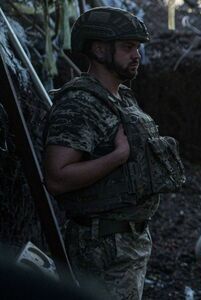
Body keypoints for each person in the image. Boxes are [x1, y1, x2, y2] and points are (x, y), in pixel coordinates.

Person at [43, 7, 185, 300]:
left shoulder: (121, 97)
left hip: (127, 243)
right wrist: (117, 157)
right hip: (103, 247)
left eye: (137, 48)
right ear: (98, 49)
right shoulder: (80, 103)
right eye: (128, 47)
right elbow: (57, 177)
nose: (137, 55)